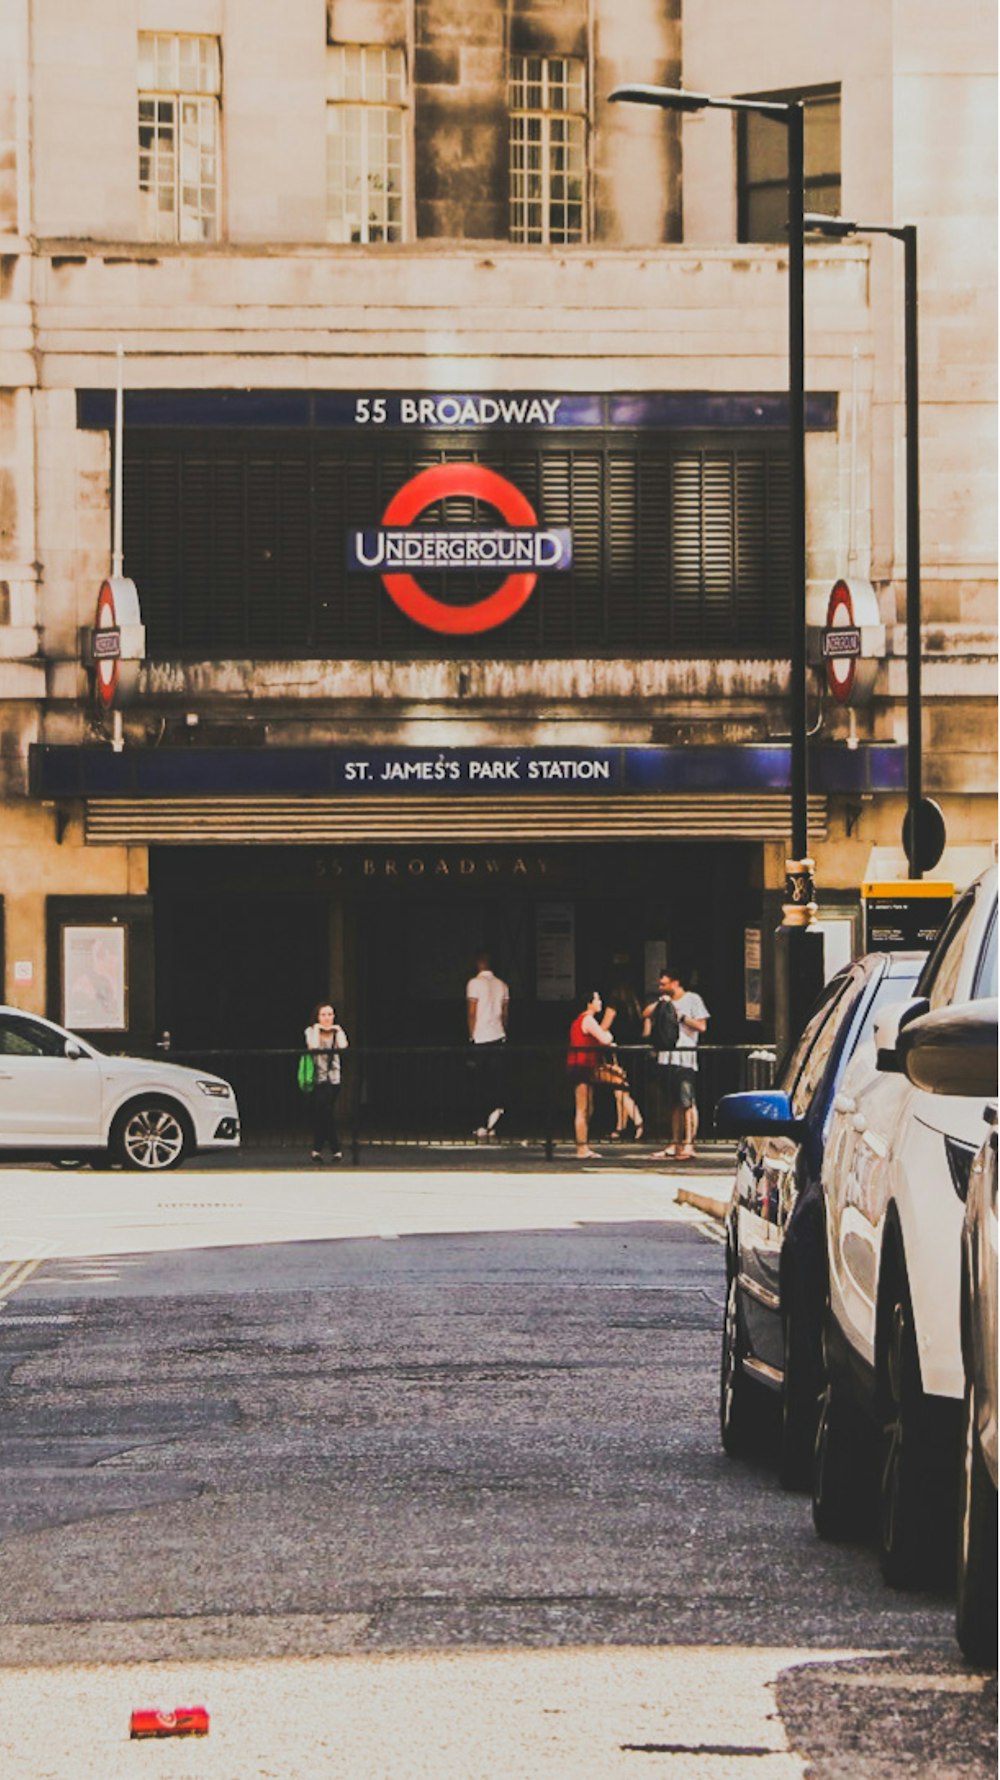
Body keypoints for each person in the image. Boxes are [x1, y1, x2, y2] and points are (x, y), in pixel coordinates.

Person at [643, 971, 710, 1160]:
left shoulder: (693, 999)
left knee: (687, 1101)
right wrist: (661, 1002)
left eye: (664, 984)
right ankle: (674, 1142)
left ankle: (689, 1142)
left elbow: (702, 1026)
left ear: (675, 983)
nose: (661, 987)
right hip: (667, 1056)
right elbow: (646, 1013)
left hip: (685, 1056)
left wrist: (682, 1018)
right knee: (674, 1103)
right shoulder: (665, 1001)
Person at [566, 989, 615, 1160]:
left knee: (588, 1106)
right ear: (590, 1003)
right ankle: (581, 1147)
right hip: (581, 1065)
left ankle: (584, 1144)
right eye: (597, 999)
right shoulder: (588, 1019)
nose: (600, 1002)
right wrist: (609, 1033)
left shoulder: (580, 1020)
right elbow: (604, 1038)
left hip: (582, 1065)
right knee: (583, 1108)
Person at [466, 950, 509, 1139]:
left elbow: (472, 1012)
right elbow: (505, 1014)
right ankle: (495, 1122)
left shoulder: (474, 984)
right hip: (498, 1035)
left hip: (480, 1037)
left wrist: (471, 1035)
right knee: (496, 1082)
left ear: (478, 964)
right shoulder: (502, 985)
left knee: (478, 1083)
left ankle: (480, 1124)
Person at [304, 1001, 349, 1162]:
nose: (327, 1018)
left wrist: (337, 1030)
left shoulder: (337, 1032)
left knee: (325, 1112)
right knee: (324, 1113)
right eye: (323, 1014)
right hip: (317, 1078)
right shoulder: (310, 1031)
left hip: (333, 1079)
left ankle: (319, 1150)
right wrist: (317, 1028)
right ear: (317, 1016)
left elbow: (343, 1046)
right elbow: (313, 1046)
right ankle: (333, 1149)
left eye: (330, 1014)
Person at [601, 983, 645, 1141]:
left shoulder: (614, 1005)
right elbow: (644, 1031)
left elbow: (604, 1027)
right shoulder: (636, 1006)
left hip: (617, 1051)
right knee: (622, 1089)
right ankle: (620, 1127)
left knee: (619, 1090)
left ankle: (638, 1121)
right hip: (634, 1051)